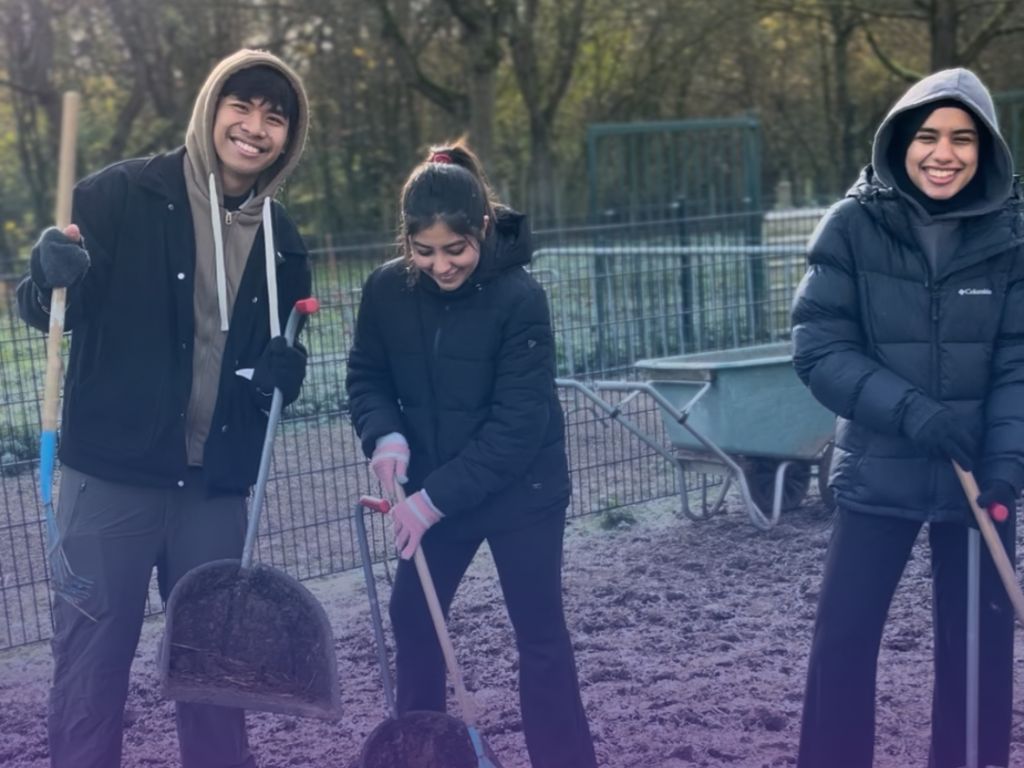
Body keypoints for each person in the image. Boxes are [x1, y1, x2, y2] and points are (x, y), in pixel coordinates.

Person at [18, 49, 312, 768]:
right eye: (240, 106)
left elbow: (266, 380)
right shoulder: (118, 196)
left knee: (217, 675)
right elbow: (47, 310)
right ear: (212, 108)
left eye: (275, 117)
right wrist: (45, 273)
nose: (254, 127)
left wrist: (283, 376)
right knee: (90, 673)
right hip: (110, 481)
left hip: (212, 490)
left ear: (288, 139)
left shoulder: (281, 241)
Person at [791, 68, 1024, 767]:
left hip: (979, 471)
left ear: (986, 151)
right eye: (927, 136)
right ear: (900, 141)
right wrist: (912, 412)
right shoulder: (852, 226)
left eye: (962, 139)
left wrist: (1008, 462)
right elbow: (819, 348)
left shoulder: (1013, 236)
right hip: (879, 467)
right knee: (844, 642)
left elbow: (1020, 359)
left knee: (979, 649)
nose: (943, 153)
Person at [345, 141, 598, 768]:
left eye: (455, 249)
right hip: (435, 485)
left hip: (522, 494)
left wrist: (430, 503)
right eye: (423, 251)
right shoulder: (386, 291)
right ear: (406, 242)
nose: (440, 265)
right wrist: (386, 437)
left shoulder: (519, 298)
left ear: (483, 227)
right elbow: (366, 376)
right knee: (414, 617)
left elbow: (517, 427)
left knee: (539, 634)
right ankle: (424, 754)